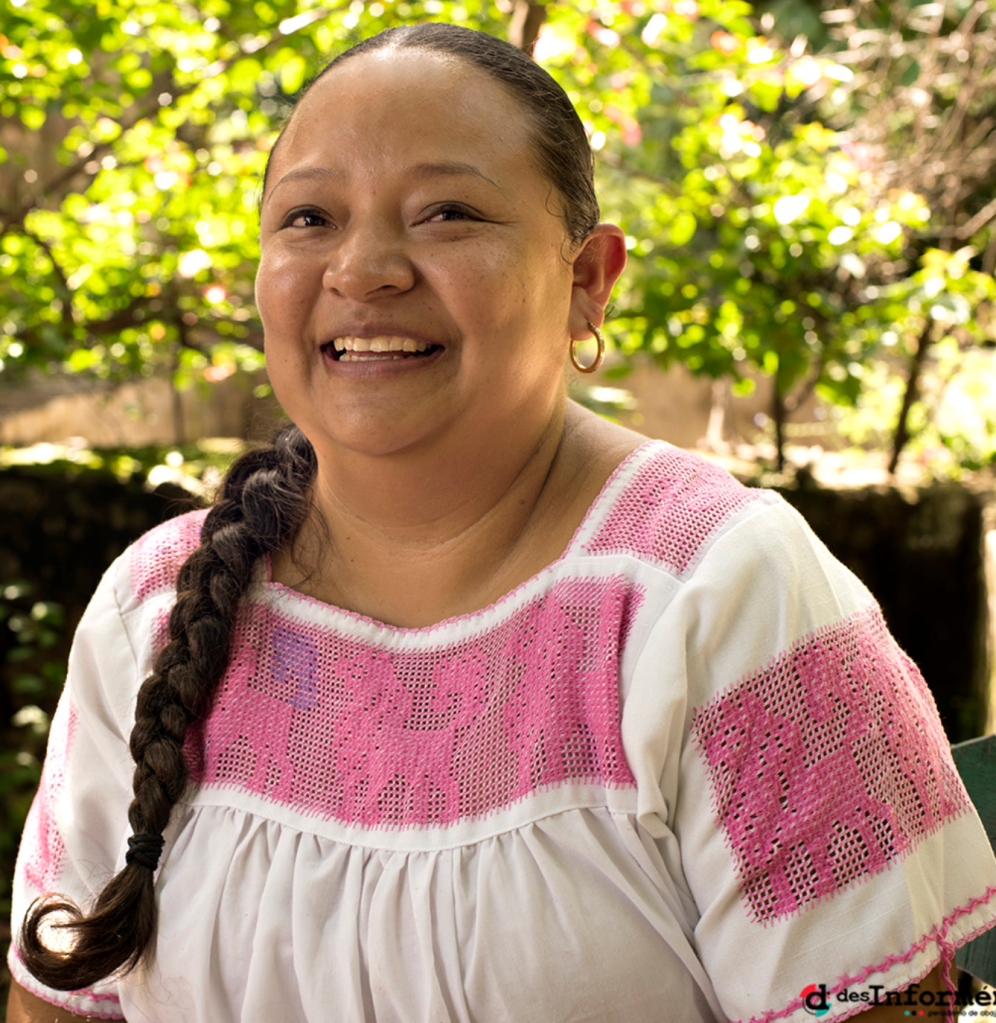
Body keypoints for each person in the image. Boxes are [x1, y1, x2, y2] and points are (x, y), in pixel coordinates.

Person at [6, 22, 996, 1023]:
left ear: (587, 281)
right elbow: (55, 1004)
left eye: (447, 213)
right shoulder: (152, 608)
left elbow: (890, 1008)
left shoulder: (714, 594)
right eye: (309, 217)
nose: (364, 268)